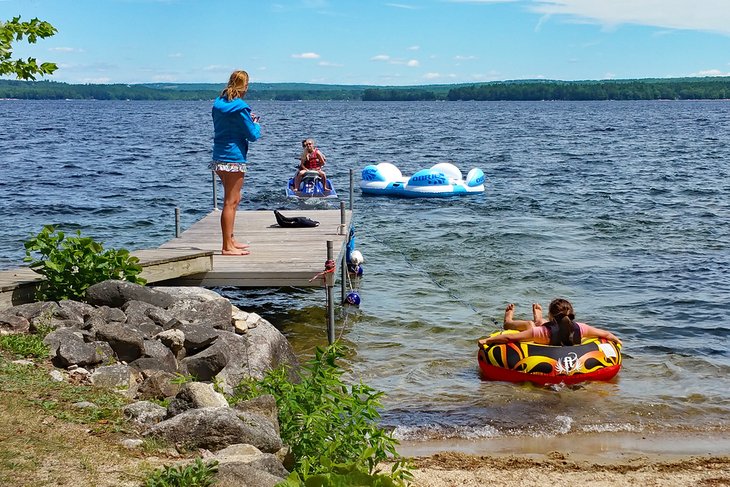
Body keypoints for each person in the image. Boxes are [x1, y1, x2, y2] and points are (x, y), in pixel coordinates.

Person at [210, 70, 261, 255]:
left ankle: (230, 239)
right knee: (230, 202)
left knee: (234, 199)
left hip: (218, 156)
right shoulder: (240, 107)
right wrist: (255, 123)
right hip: (234, 158)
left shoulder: (218, 103)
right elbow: (253, 135)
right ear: (244, 86)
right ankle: (227, 247)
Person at [479, 298, 621, 347]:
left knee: (530, 325)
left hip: (543, 333)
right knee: (540, 323)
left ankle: (508, 322)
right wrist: (618, 343)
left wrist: (488, 340)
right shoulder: (582, 328)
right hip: (550, 329)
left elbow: (509, 338)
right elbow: (607, 334)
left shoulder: (542, 333)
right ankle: (539, 318)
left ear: (551, 314)